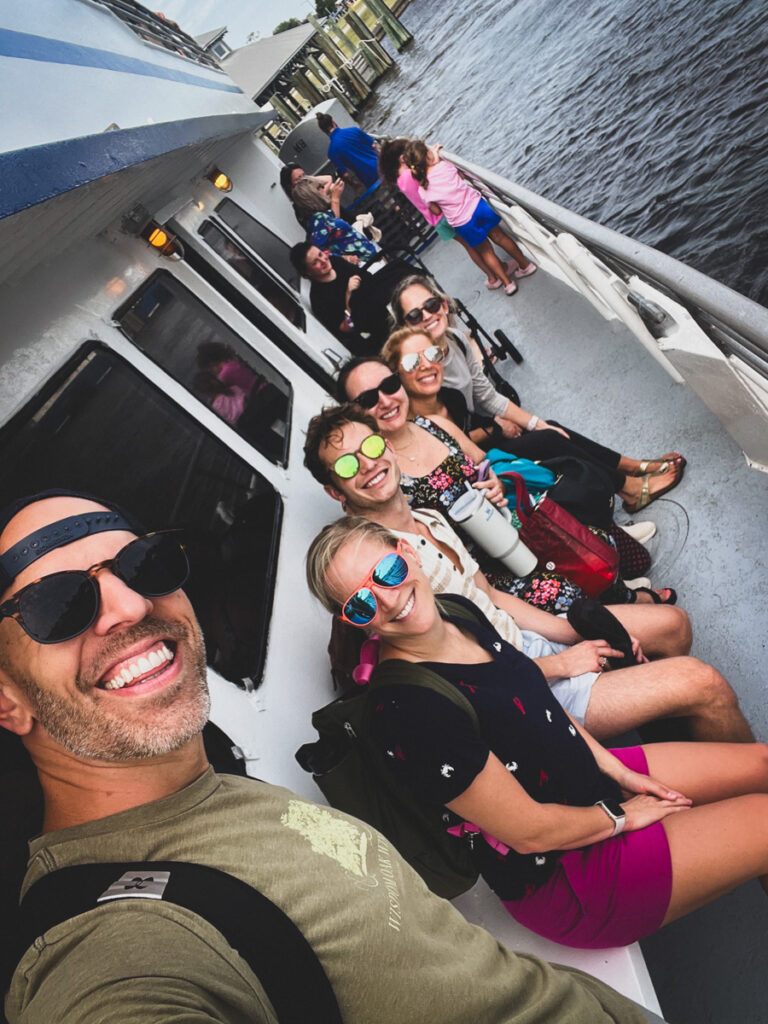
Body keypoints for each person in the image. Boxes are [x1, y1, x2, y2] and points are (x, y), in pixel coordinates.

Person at [0, 492, 664, 1024]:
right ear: (7, 698)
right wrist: (617, 815)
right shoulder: (106, 949)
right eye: (57, 606)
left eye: (143, 565)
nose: (129, 605)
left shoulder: (222, 795)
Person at [306, 515, 768, 950]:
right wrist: (623, 816)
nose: (388, 600)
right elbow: (529, 833)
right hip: (571, 876)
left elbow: (539, 703)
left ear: (407, 552)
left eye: (386, 571)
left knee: (761, 765)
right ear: (353, 621)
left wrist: (617, 769)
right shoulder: (408, 710)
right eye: (362, 603)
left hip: (585, 777)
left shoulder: (457, 611)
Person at [302, 404, 753, 743]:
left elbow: (493, 598)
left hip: (528, 642)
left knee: (673, 625)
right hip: (525, 686)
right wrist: (562, 663)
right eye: (347, 465)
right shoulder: (384, 566)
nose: (367, 464)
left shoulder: (428, 518)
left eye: (371, 447)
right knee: (703, 684)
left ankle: (681, 737)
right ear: (334, 490)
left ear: (386, 446)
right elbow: (462, 675)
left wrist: (580, 631)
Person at [389, 276, 687, 516]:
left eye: (431, 304)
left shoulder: (455, 341)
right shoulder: (419, 374)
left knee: (549, 428)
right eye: (415, 315)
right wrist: (496, 428)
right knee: (549, 440)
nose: (427, 315)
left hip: (478, 431)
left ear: (443, 304)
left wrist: (534, 423)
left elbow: (486, 395)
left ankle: (630, 468)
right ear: (405, 327)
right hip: (467, 457)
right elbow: (444, 441)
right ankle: (629, 490)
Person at [402, 139, 536, 294]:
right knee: (500, 237)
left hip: (463, 222)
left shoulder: (423, 190)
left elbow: (437, 212)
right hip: (478, 206)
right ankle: (526, 266)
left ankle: (508, 284)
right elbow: (460, 177)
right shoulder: (444, 166)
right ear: (428, 155)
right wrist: (437, 160)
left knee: (486, 251)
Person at [378, 137, 502, 288]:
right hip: (447, 213)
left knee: (470, 246)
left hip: (437, 221)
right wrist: (434, 156)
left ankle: (492, 277)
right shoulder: (410, 175)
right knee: (477, 244)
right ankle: (497, 270)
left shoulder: (400, 181)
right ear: (403, 158)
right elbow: (430, 173)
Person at [290, 242, 411, 352]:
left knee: (401, 271)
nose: (323, 260)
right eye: (315, 262)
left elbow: (368, 278)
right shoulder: (319, 299)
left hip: (382, 300)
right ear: (307, 272)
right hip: (371, 325)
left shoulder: (335, 262)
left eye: (321, 254)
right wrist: (349, 295)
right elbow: (347, 328)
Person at [292, 174, 378, 263]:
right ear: (313, 195)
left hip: (370, 255)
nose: (324, 188)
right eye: (320, 187)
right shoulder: (319, 220)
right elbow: (319, 250)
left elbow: (335, 226)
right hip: (364, 261)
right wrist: (345, 258)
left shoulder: (322, 216)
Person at [316, 111, 380, 190]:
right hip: (381, 166)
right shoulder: (354, 130)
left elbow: (345, 175)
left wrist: (354, 185)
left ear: (323, 131)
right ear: (333, 121)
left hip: (369, 179)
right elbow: (374, 145)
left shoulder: (331, 152)